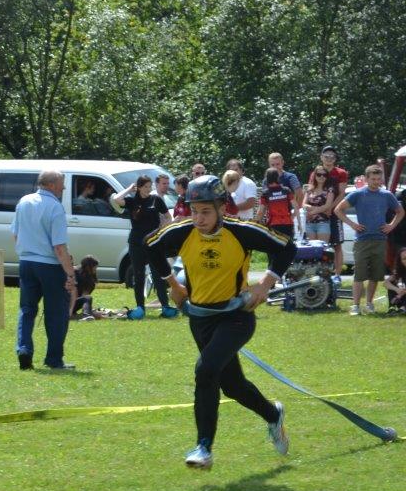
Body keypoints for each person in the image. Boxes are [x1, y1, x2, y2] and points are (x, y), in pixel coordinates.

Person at [145, 175, 296, 470]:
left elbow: (286, 248)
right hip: (200, 319)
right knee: (233, 386)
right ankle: (273, 415)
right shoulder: (182, 232)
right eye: (194, 211)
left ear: (222, 209)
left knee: (205, 370)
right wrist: (174, 285)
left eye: (206, 212)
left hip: (236, 317)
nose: (198, 219)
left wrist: (264, 284)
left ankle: (203, 447)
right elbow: (149, 246)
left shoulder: (242, 231)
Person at [10, 170, 75, 370]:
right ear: (52, 185)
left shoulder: (24, 201)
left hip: (26, 262)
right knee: (56, 313)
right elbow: (59, 247)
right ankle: (54, 359)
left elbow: (15, 234)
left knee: (27, 309)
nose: (64, 188)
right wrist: (70, 274)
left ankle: (24, 349)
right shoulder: (55, 207)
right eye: (62, 184)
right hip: (50, 265)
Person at [334, 164, 403, 315]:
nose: (376, 182)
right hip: (362, 240)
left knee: (376, 275)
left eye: (378, 179)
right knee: (359, 275)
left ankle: (369, 304)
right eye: (373, 179)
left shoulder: (386, 195)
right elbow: (338, 209)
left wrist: (391, 226)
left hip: (380, 240)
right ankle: (355, 306)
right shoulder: (358, 194)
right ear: (366, 179)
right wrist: (352, 224)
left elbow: (400, 211)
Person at [110, 174, 175, 318]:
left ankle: (165, 306)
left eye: (150, 186)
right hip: (136, 244)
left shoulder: (156, 199)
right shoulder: (132, 201)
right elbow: (116, 199)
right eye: (145, 187)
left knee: (158, 275)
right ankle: (140, 308)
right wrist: (129, 189)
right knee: (139, 276)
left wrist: (162, 229)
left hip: (153, 243)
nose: (148, 189)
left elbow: (168, 217)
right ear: (139, 187)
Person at [312, 146, 349, 271]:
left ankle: (337, 274)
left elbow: (342, 194)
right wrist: (313, 209)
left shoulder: (341, 173)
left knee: (337, 244)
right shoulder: (316, 172)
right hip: (318, 214)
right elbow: (312, 190)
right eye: (326, 156)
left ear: (335, 158)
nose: (329, 159)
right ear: (321, 157)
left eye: (332, 156)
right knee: (317, 244)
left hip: (334, 213)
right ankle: (319, 272)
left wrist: (330, 208)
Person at [301, 166, 335, 243]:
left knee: (322, 248)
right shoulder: (309, 189)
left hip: (323, 223)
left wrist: (311, 212)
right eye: (319, 174)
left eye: (324, 175)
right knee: (312, 249)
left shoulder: (330, 189)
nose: (321, 177)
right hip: (309, 223)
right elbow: (303, 204)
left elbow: (327, 206)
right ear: (315, 175)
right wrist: (319, 209)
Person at [260, 167, 295, 238]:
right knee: (288, 243)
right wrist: (293, 217)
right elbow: (296, 206)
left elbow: (261, 211)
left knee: (275, 244)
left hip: (273, 223)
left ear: (267, 178)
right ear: (278, 177)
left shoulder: (265, 193)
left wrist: (257, 222)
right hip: (288, 223)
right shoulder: (286, 190)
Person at [72, 254, 100, 319]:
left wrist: (90, 309)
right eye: (94, 267)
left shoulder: (90, 280)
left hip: (73, 303)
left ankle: (87, 314)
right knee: (87, 298)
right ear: (88, 267)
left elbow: (84, 296)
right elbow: (73, 294)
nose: (95, 269)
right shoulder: (75, 274)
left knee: (87, 298)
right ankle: (87, 315)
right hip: (67, 303)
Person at [385, 247, 406, 312]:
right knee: (392, 283)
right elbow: (386, 282)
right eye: (404, 259)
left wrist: (400, 295)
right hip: (401, 297)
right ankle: (392, 307)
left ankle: (403, 308)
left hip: (402, 296)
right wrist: (397, 289)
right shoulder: (400, 270)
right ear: (400, 261)